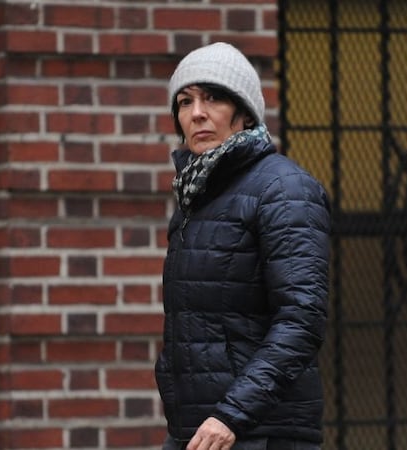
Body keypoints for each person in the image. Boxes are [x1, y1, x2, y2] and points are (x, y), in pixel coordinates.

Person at [155, 42, 331, 450]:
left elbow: (301, 321)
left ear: (245, 112)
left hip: (259, 432)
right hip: (199, 430)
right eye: (184, 101)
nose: (196, 112)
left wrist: (231, 414)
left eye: (213, 97)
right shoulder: (196, 196)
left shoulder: (284, 189)